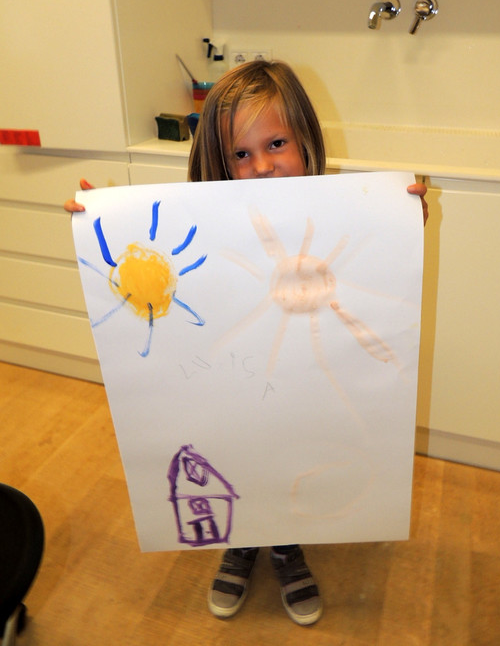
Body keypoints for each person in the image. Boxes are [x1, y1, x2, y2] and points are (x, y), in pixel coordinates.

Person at [65, 60, 428, 626]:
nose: (261, 165)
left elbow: (375, 273)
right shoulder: (209, 224)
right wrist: (101, 225)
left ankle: (285, 545)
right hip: (228, 376)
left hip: (305, 374)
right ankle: (240, 541)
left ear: (305, 139)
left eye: (276, 143)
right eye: (240, 153)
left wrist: (402, 221)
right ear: (220, 160)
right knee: (235, 450)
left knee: (290, 449)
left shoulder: (340, 214)